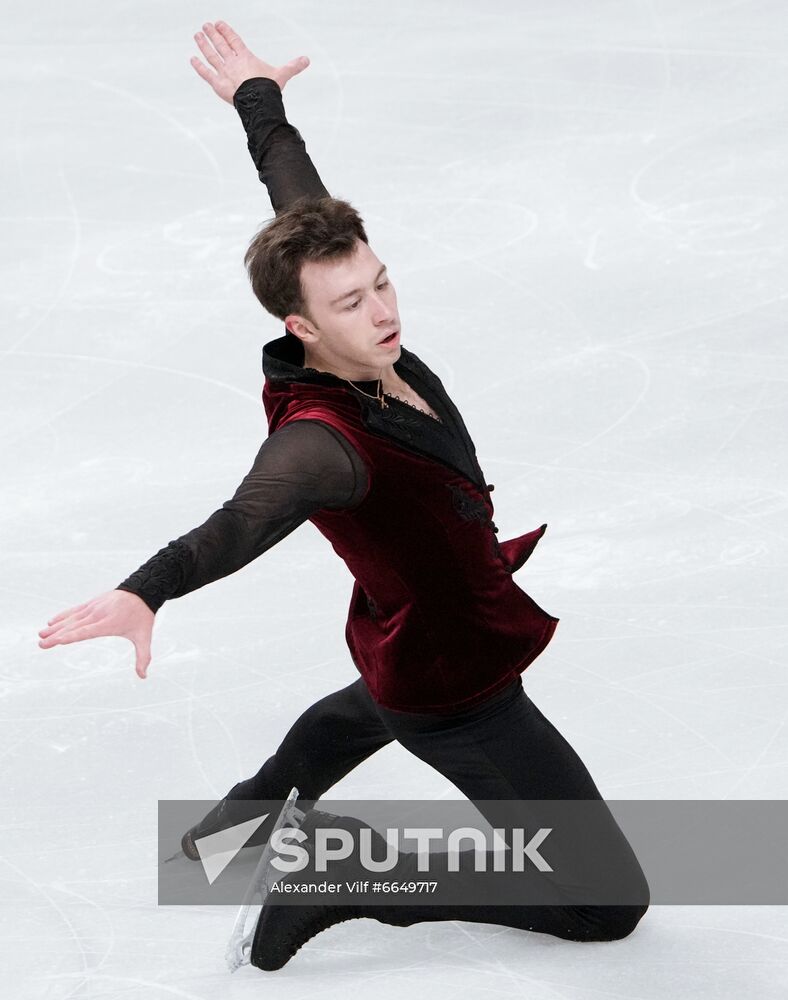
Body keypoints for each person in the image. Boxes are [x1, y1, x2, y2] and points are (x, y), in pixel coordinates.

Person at [38, 20, 649, 972]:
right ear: (300, 325)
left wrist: (257, 98)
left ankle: (244, 816)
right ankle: (345, 879)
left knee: (368, 701)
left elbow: (297, 192)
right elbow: (239, 522)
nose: (384, 310)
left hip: (415, 623)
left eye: (382, 282)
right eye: (353, 303)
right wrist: (144, 590)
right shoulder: (322, 445)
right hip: (459, 688)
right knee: (608, 900)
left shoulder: (337, 299)